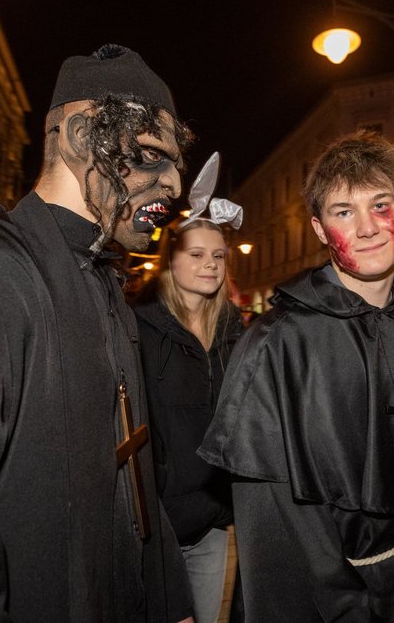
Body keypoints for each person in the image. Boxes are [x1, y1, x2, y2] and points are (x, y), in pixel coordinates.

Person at [0, 44, 195, 621]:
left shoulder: (104, 284)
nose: (174, 184)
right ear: (79, 136)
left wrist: (168, 599)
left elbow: (136, 479)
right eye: (151, 154)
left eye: (175, 162)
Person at [198, 131, 394, 621]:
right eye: (343, 211)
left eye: (380, 204)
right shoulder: (276, 342)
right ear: (319, 229)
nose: (369, 228)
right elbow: (280, 535)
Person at [134, 195, 245, 623]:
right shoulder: (137, 328)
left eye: (218, 255)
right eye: (196, 254)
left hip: (211, 520)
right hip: (157, 525)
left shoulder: (234, 332)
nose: (211, 264)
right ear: (170, 260)